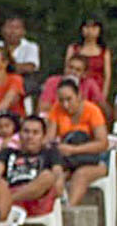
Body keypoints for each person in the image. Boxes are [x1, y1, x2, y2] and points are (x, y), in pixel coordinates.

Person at [47, 77, 110, 206]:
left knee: (81, 175)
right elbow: (49, 138)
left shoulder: (92, 110)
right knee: (55, 172)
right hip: (68, 160)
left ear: (79, 96)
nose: (65, 105)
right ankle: (53, 208)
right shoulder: (56, 109)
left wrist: (74, 150)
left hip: (93, 160)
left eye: (69, 99)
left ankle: (69, 208)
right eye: (61, 100)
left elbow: (103, 143)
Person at [0, 115, 64, 218]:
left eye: (35, 133)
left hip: (36, 200)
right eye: (26, 131)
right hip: (10, 196)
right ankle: (6, 201)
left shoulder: (50, 153)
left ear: (43, 137)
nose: (30, 136)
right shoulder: (7, 153)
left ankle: (7, 201)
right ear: (19, 134)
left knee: (48, 176)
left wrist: (59, 182)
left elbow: (57, 175)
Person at [0, 16, 41, 96]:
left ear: (23, 31)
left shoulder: (31, 47)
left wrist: (1, 67)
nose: (12, 31)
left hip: (22, 86)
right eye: (9, 27)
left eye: (16, 28)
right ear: (2, 30)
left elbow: (30, 67)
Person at [65, 19, 111, 103]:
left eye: (94, 27)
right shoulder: (73, 48)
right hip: (77, 87)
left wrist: (103, 97)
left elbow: (107, 76)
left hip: (97, 90)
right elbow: (67, 70)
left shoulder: (104, 51)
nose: (90, 31)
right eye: (87, 27)